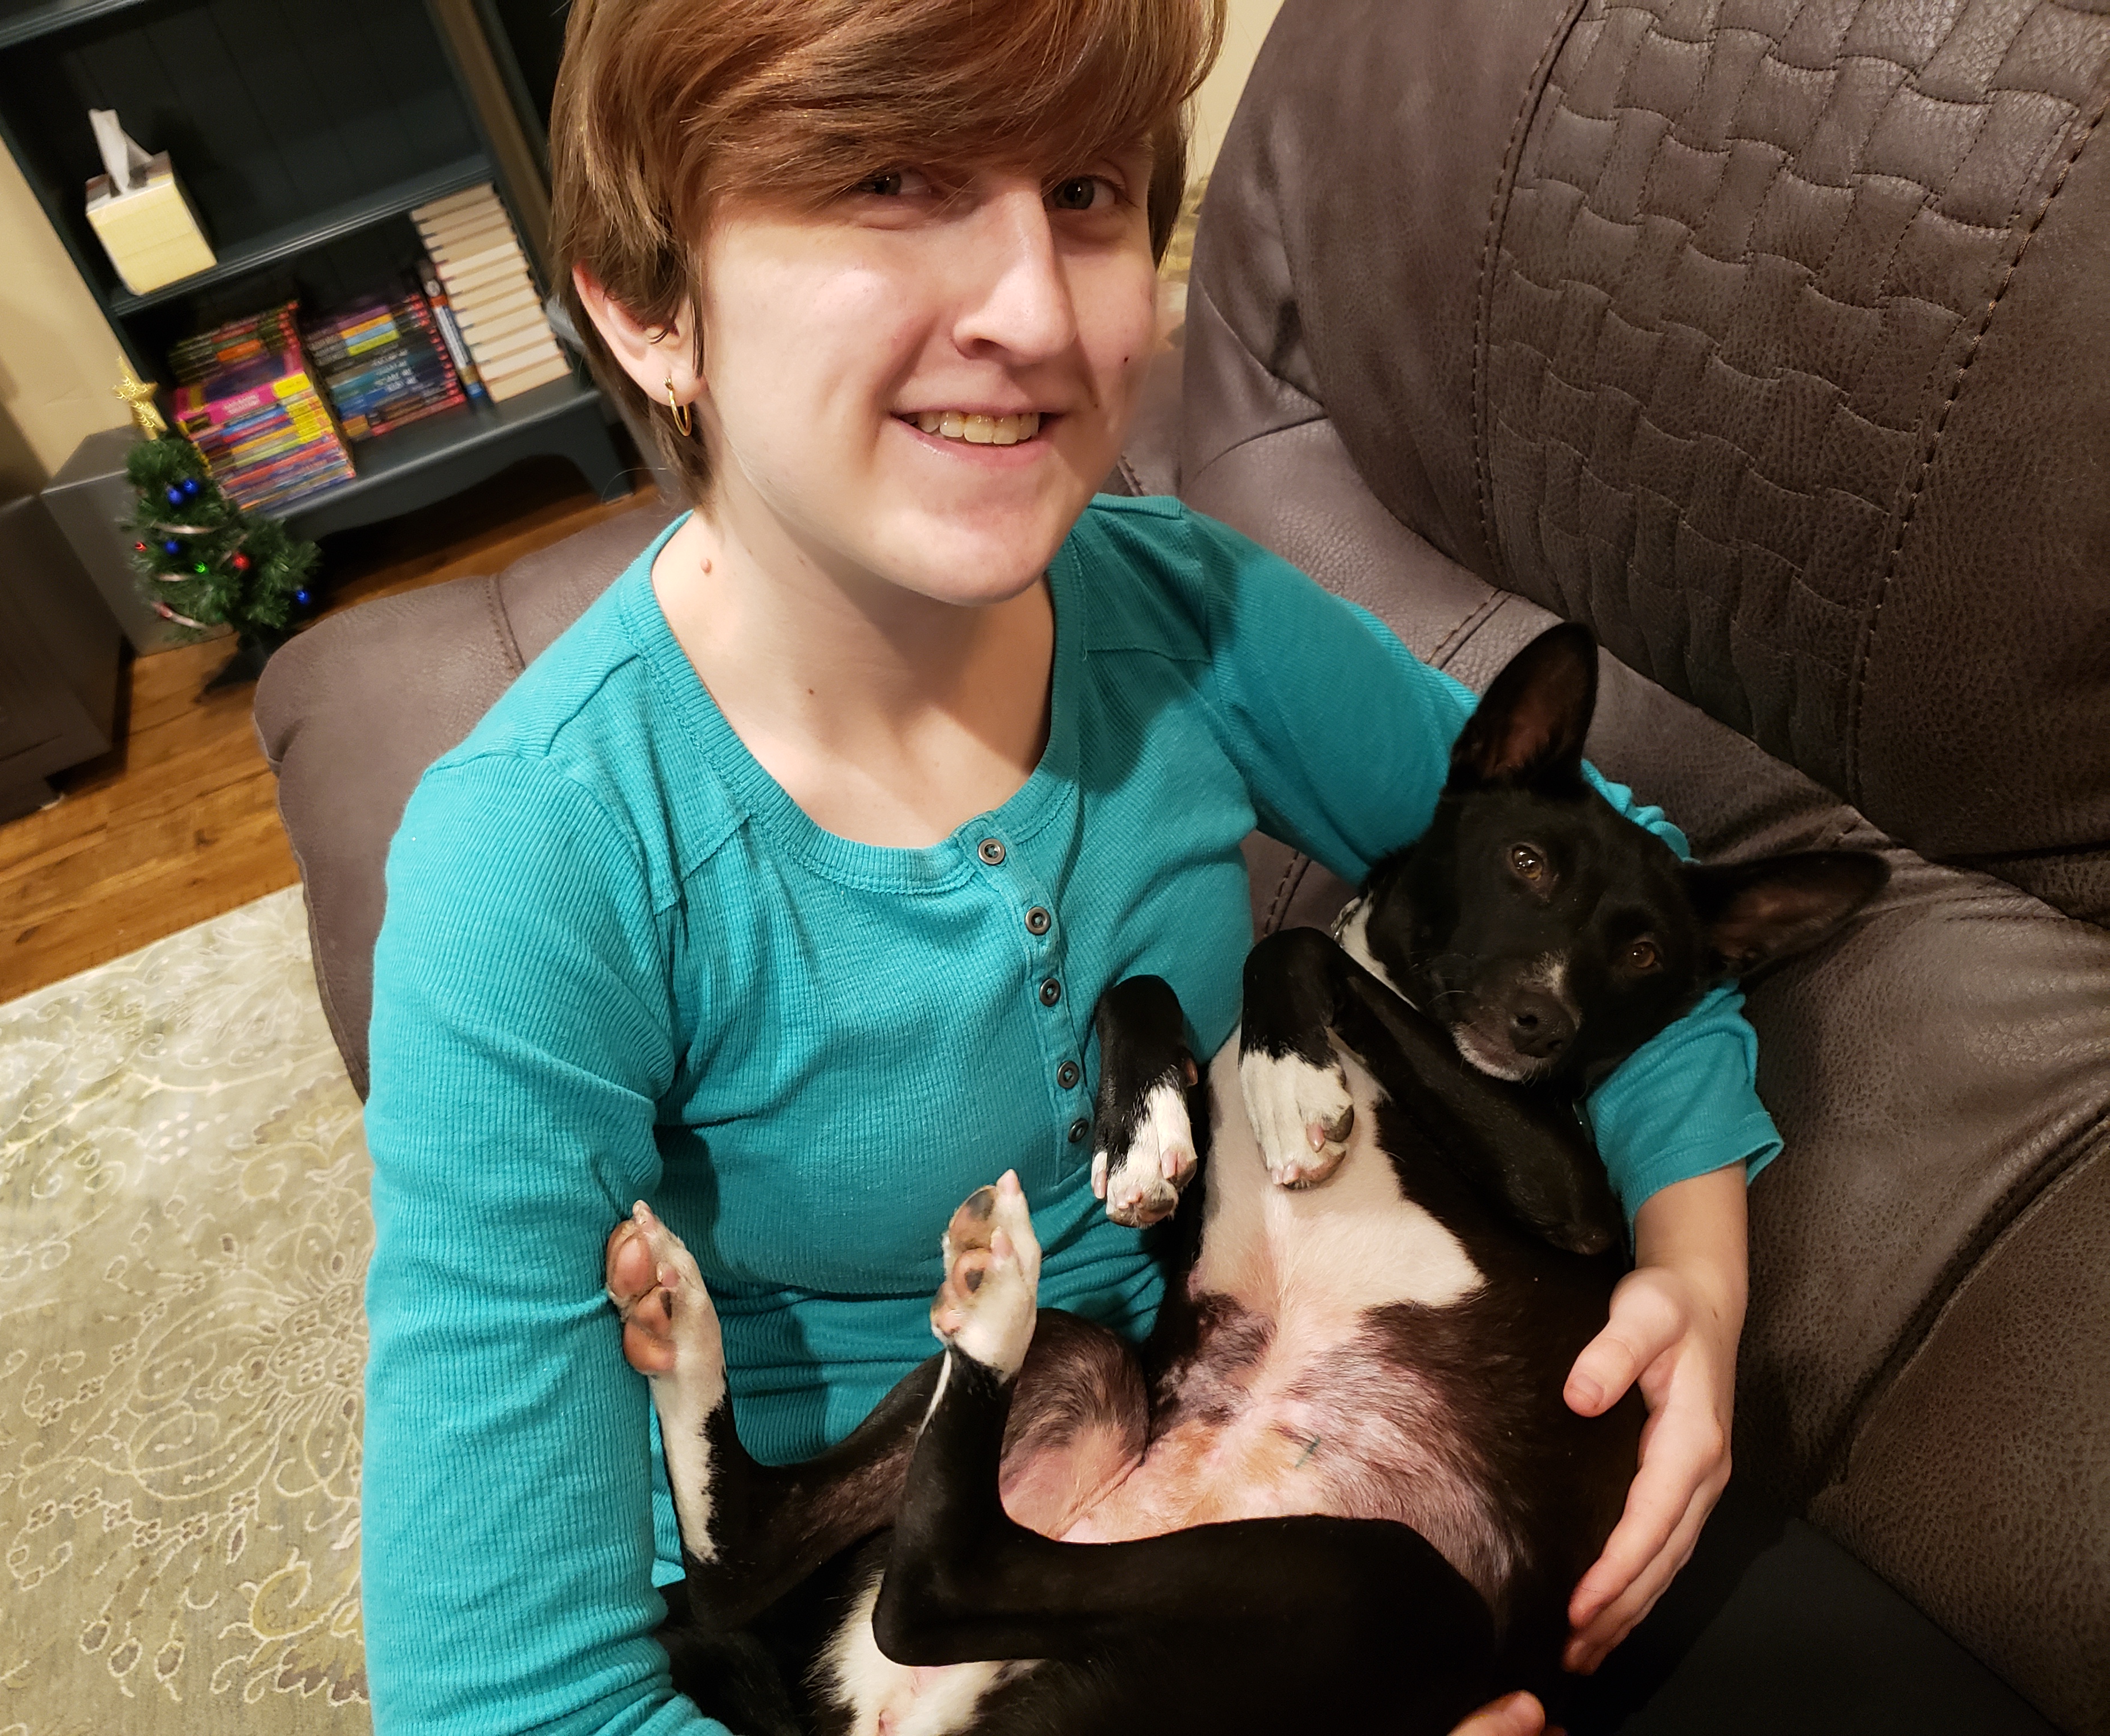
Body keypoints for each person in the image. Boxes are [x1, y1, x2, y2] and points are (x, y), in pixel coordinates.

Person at [359, 2, 1761, 1731]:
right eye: (891, 181)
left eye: (1088, 192)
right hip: (865, 1607)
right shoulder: (539, 863)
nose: (1035, 314)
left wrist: (1696, 1282)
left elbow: (1639, 890)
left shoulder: (1185, 608)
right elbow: (512, 1706)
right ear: (652, 313)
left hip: (1251, 1533)